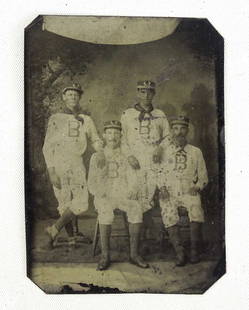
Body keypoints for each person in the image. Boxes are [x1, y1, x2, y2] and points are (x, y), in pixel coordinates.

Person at [42, 83, 105, 249]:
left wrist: (101, 151)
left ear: (79, 97)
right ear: (64, 97)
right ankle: (70, 239)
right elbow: (47, 147)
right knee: (64, 201)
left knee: (81, 202)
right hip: (59, 162)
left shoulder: (86, 119)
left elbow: (96, 139)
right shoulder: (55, 118)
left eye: (75, 95)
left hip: (77, 162)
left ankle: (54, 229)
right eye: (69, 94)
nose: (72, 97)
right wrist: (51, 171)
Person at [88, 120, 148, 270]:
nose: (112, 136)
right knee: (105, 211)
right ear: (104, 135)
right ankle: (105, 255)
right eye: (109, 132)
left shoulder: (127, 155)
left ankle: (134, 254)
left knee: (135, 207)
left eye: (116, 133)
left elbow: (133, 176)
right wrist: (99, 192)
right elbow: (91, 181)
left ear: (121, 135)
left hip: (122, 193)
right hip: (105, 194)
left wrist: (133, 190)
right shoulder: (97, 156)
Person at [120, 80, 171, 237]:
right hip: (134, 159)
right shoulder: (127, 114)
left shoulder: (160, 114)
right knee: (134, 193)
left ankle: (144, 235)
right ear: (137, 93)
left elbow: (168, 136)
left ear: (154, 94)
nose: (146, 95)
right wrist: (129, 156)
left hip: (153, 158)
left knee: (148, 194)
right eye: (142, 91)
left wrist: (160, 148)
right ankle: (139, 235)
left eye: (149, 91)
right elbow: (122, 138)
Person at [158, 116, 208, 266]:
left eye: (182, 128)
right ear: (171, 131)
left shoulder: (195, 152)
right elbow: (158, 172)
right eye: (175, 129)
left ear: (187, 130)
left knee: (196, 208)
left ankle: (194, 250)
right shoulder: (165, 151)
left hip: (189, 190)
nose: (179, 132)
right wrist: (162, 188)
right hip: (170, 191)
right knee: (168, 210)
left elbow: (203, 175)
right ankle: (179, 251)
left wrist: (197, 186)